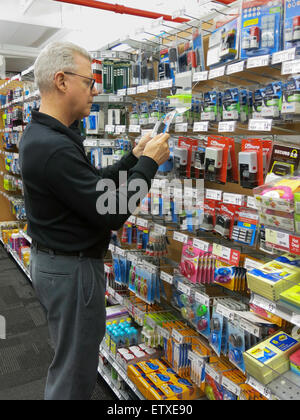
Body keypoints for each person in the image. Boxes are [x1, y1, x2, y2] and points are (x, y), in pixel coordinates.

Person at [19, 41, 170, 400]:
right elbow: (111, 211)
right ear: (61, 81)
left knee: (72, 363)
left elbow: (90, 188)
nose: (94, 90)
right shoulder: (52, 145)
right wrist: (149, 164)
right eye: (89, 81)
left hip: (59, 264)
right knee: (73, 374)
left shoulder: (47, 136)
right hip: (70, 272)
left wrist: (132, 159)